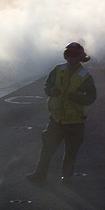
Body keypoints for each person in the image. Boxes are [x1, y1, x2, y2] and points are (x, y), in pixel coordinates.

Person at [26, 42, 97, 184]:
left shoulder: (85, 76)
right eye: (69, 55)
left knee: (71, 151)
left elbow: (91, 97)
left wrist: (77, 98)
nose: (71, 58)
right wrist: (51, 90)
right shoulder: (58, 70)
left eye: (74, 55)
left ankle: (66, 177)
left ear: (80, 57)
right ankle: (40, 174)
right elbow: (47, 84)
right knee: (47, 148)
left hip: (75, 121)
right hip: (57, 119)